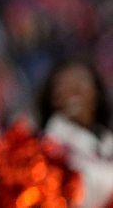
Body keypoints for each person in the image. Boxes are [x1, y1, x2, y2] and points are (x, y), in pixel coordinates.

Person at [38, 58, 113, 208]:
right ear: (52, 99)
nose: (73, 90)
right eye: (63, 86)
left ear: (97, 93)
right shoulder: (45, 148)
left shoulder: (107, 140)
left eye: (81, 82)